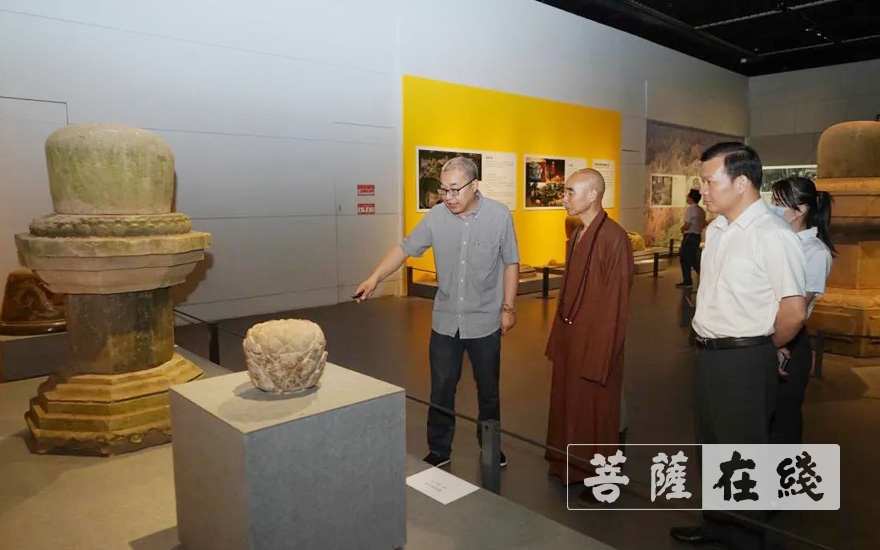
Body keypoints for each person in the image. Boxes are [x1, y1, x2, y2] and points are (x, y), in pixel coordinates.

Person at [670, 143, 807, 550]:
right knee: (712, 443)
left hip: (746, 357)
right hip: (709, 354)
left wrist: (762, 348)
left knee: (744, 449)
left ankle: (746, 536)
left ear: (742, 182)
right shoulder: (717, 230)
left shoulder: (773, 235)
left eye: (710, 182)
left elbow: (794, 312)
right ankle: (717, 523)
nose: (704, 191)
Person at [354, 156, 520, 469]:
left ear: (474, 185)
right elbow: (403, 249)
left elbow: (511, 262)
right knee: (441, 389)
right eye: (444, 190)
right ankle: (440, 450)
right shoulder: (436, 217)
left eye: (455, 189)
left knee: (489, 392)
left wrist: (508, 308)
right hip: (445, 321)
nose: (449, 197)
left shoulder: (499, 216)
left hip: (485, 321)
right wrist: (375, 278)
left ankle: (491, 446)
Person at [544, 169, 634, 493]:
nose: (564, 198)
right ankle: (567, 465)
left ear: (593, 195)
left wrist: (601, 355)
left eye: (570, 192)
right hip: (573, 338)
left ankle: (601, 476)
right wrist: (559, 339)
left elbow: (616, 304)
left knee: (595, 410)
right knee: (569, 404)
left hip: (596, 342)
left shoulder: (614, 238)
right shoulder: (578, 234)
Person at [769, 177, 835, 444]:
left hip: (788, 342)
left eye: (778, 202)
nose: (772, 207)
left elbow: (797, 309)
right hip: (767, 337)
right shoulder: (777, 242)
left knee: (783, 422)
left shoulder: (815, 252)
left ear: (801, 209)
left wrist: (776, 343)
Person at [676, 188, 706, 288]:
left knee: (684, 259)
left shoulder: (690, 210)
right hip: (697, 236)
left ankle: (687, 280)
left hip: (689, 237)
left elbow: (687, 225)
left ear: (691, 198)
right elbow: (702, 224)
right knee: (693, 259)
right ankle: (705, 276)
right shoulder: (701, 210)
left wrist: (682, 228)